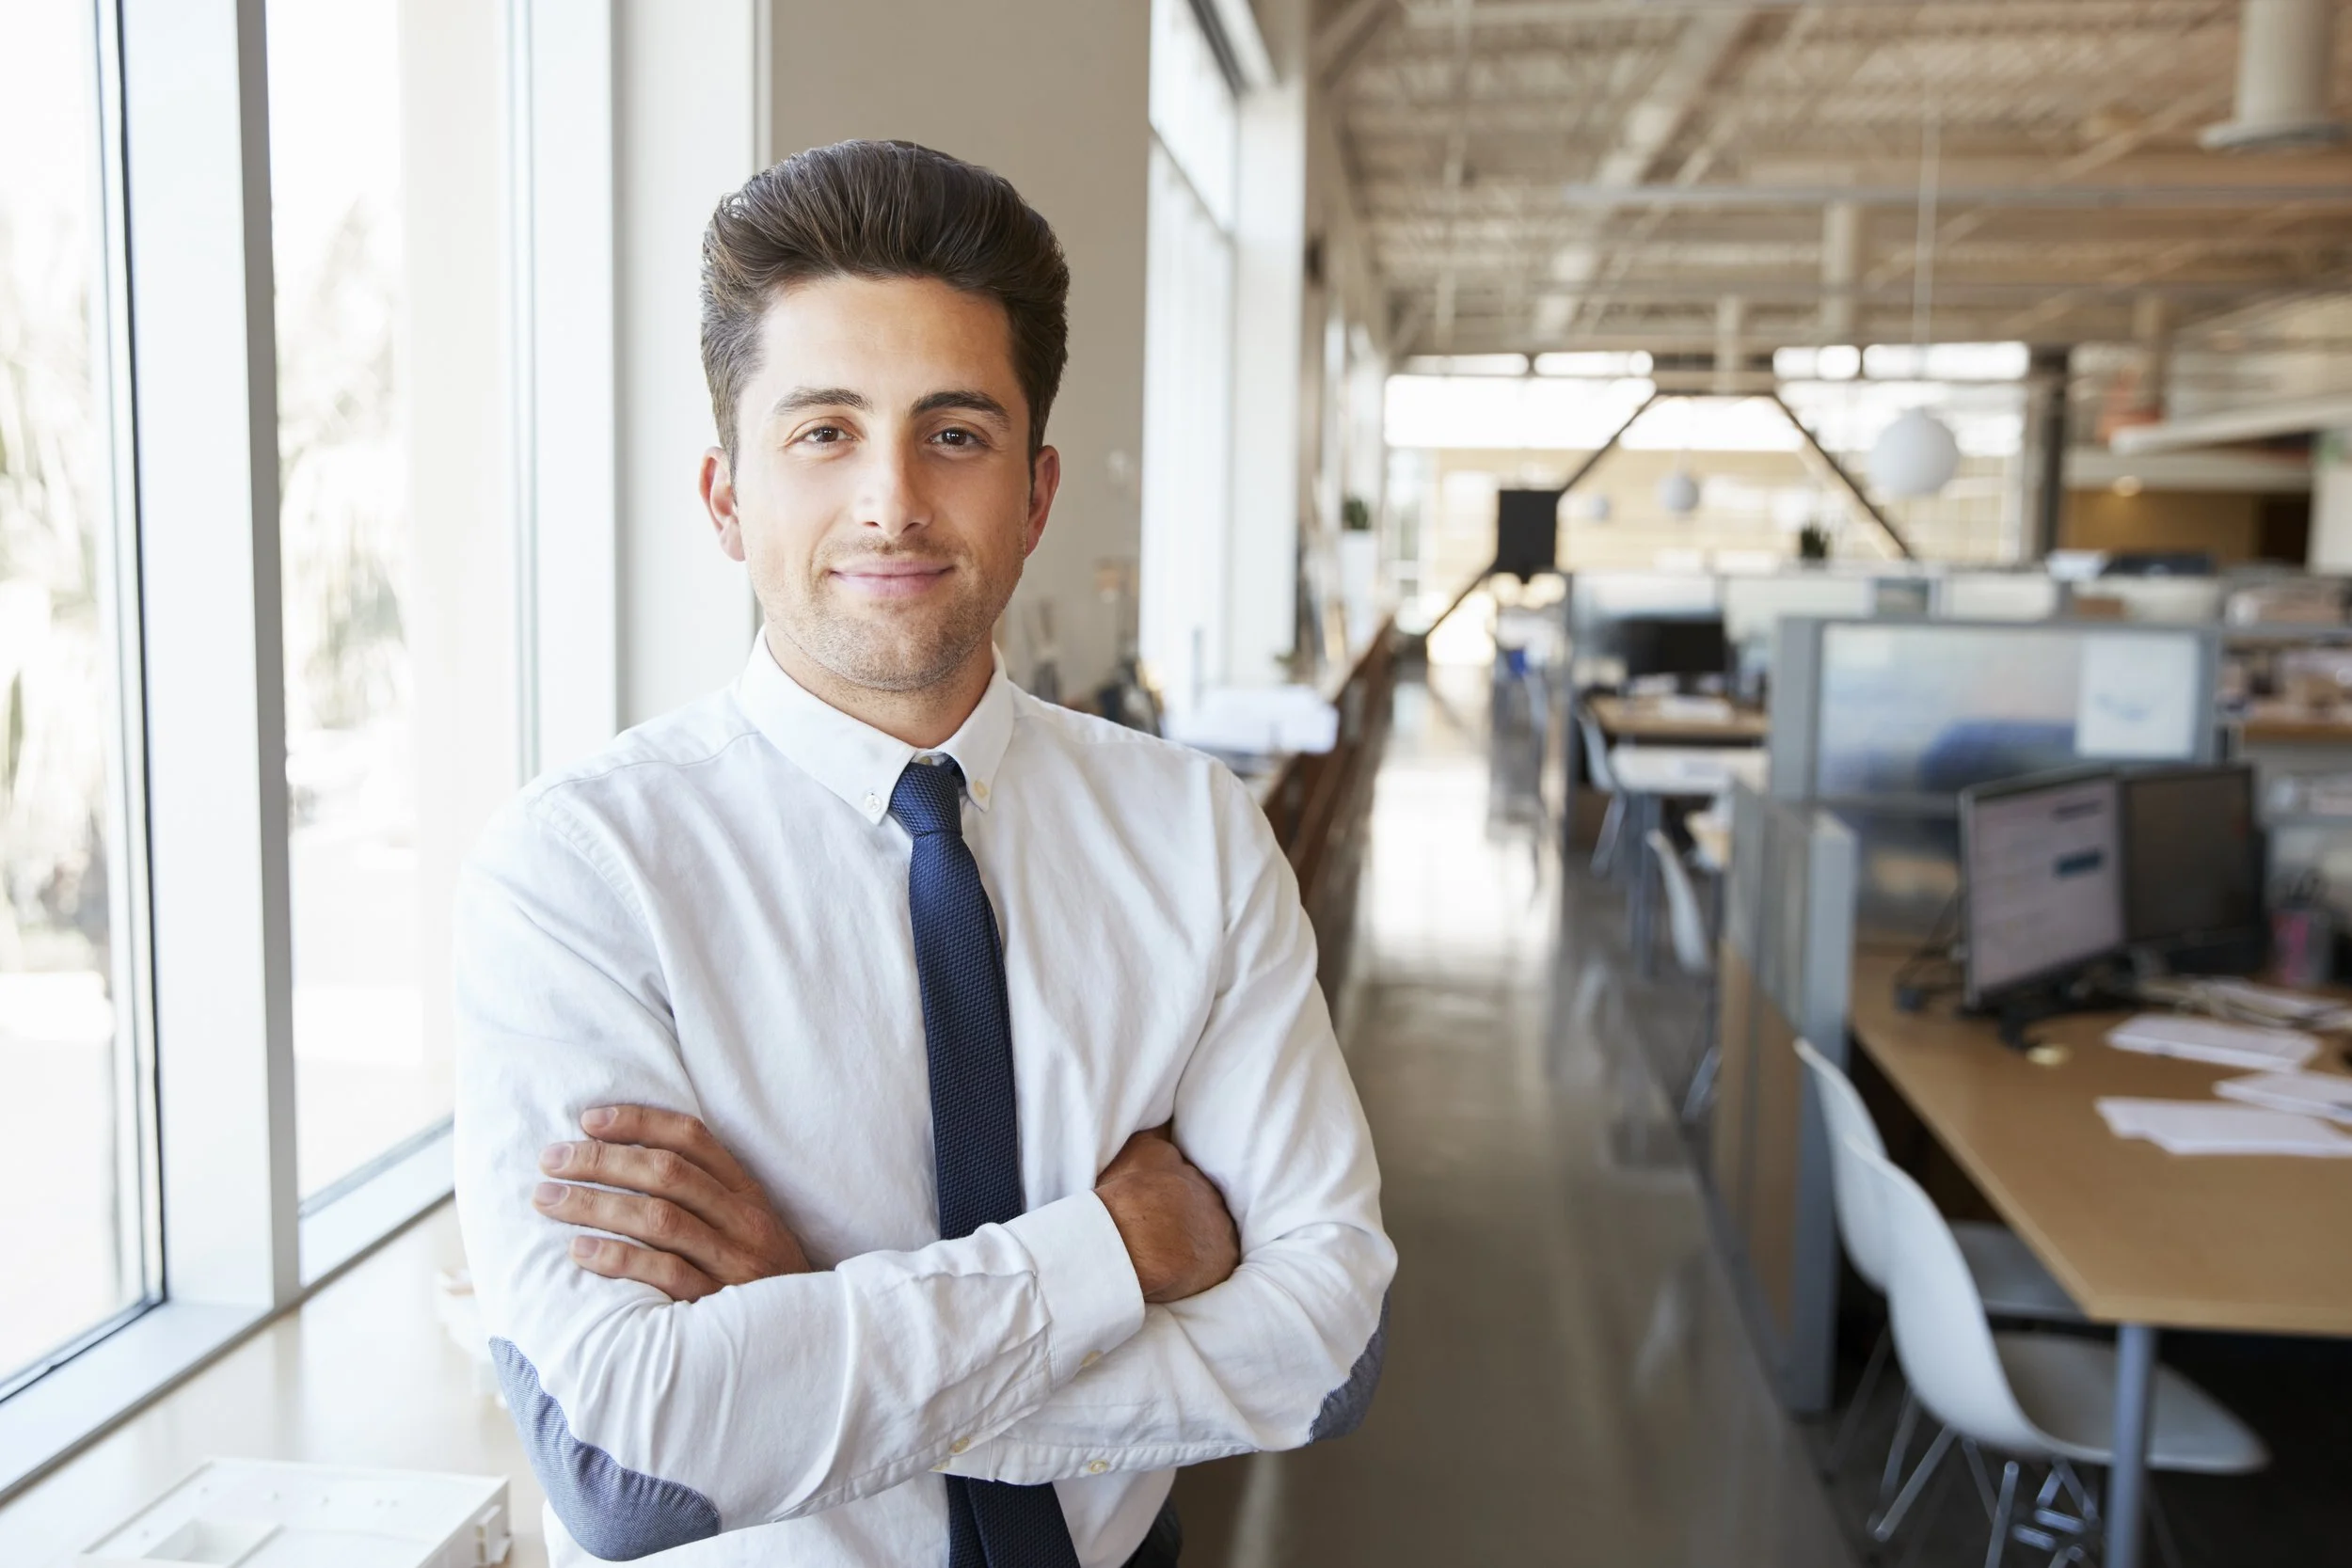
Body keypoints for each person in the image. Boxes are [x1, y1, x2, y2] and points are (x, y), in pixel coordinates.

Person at [453, 139, 1394, 1568]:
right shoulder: (578, 872)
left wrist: (823, 1311)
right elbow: (630, 1458)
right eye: (822, 432)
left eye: (954, 433)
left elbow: (1328, 1343)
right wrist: (1109, 1255)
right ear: (725, 497)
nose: (891, 498)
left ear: (1035, 492)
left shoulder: (1194, 833)